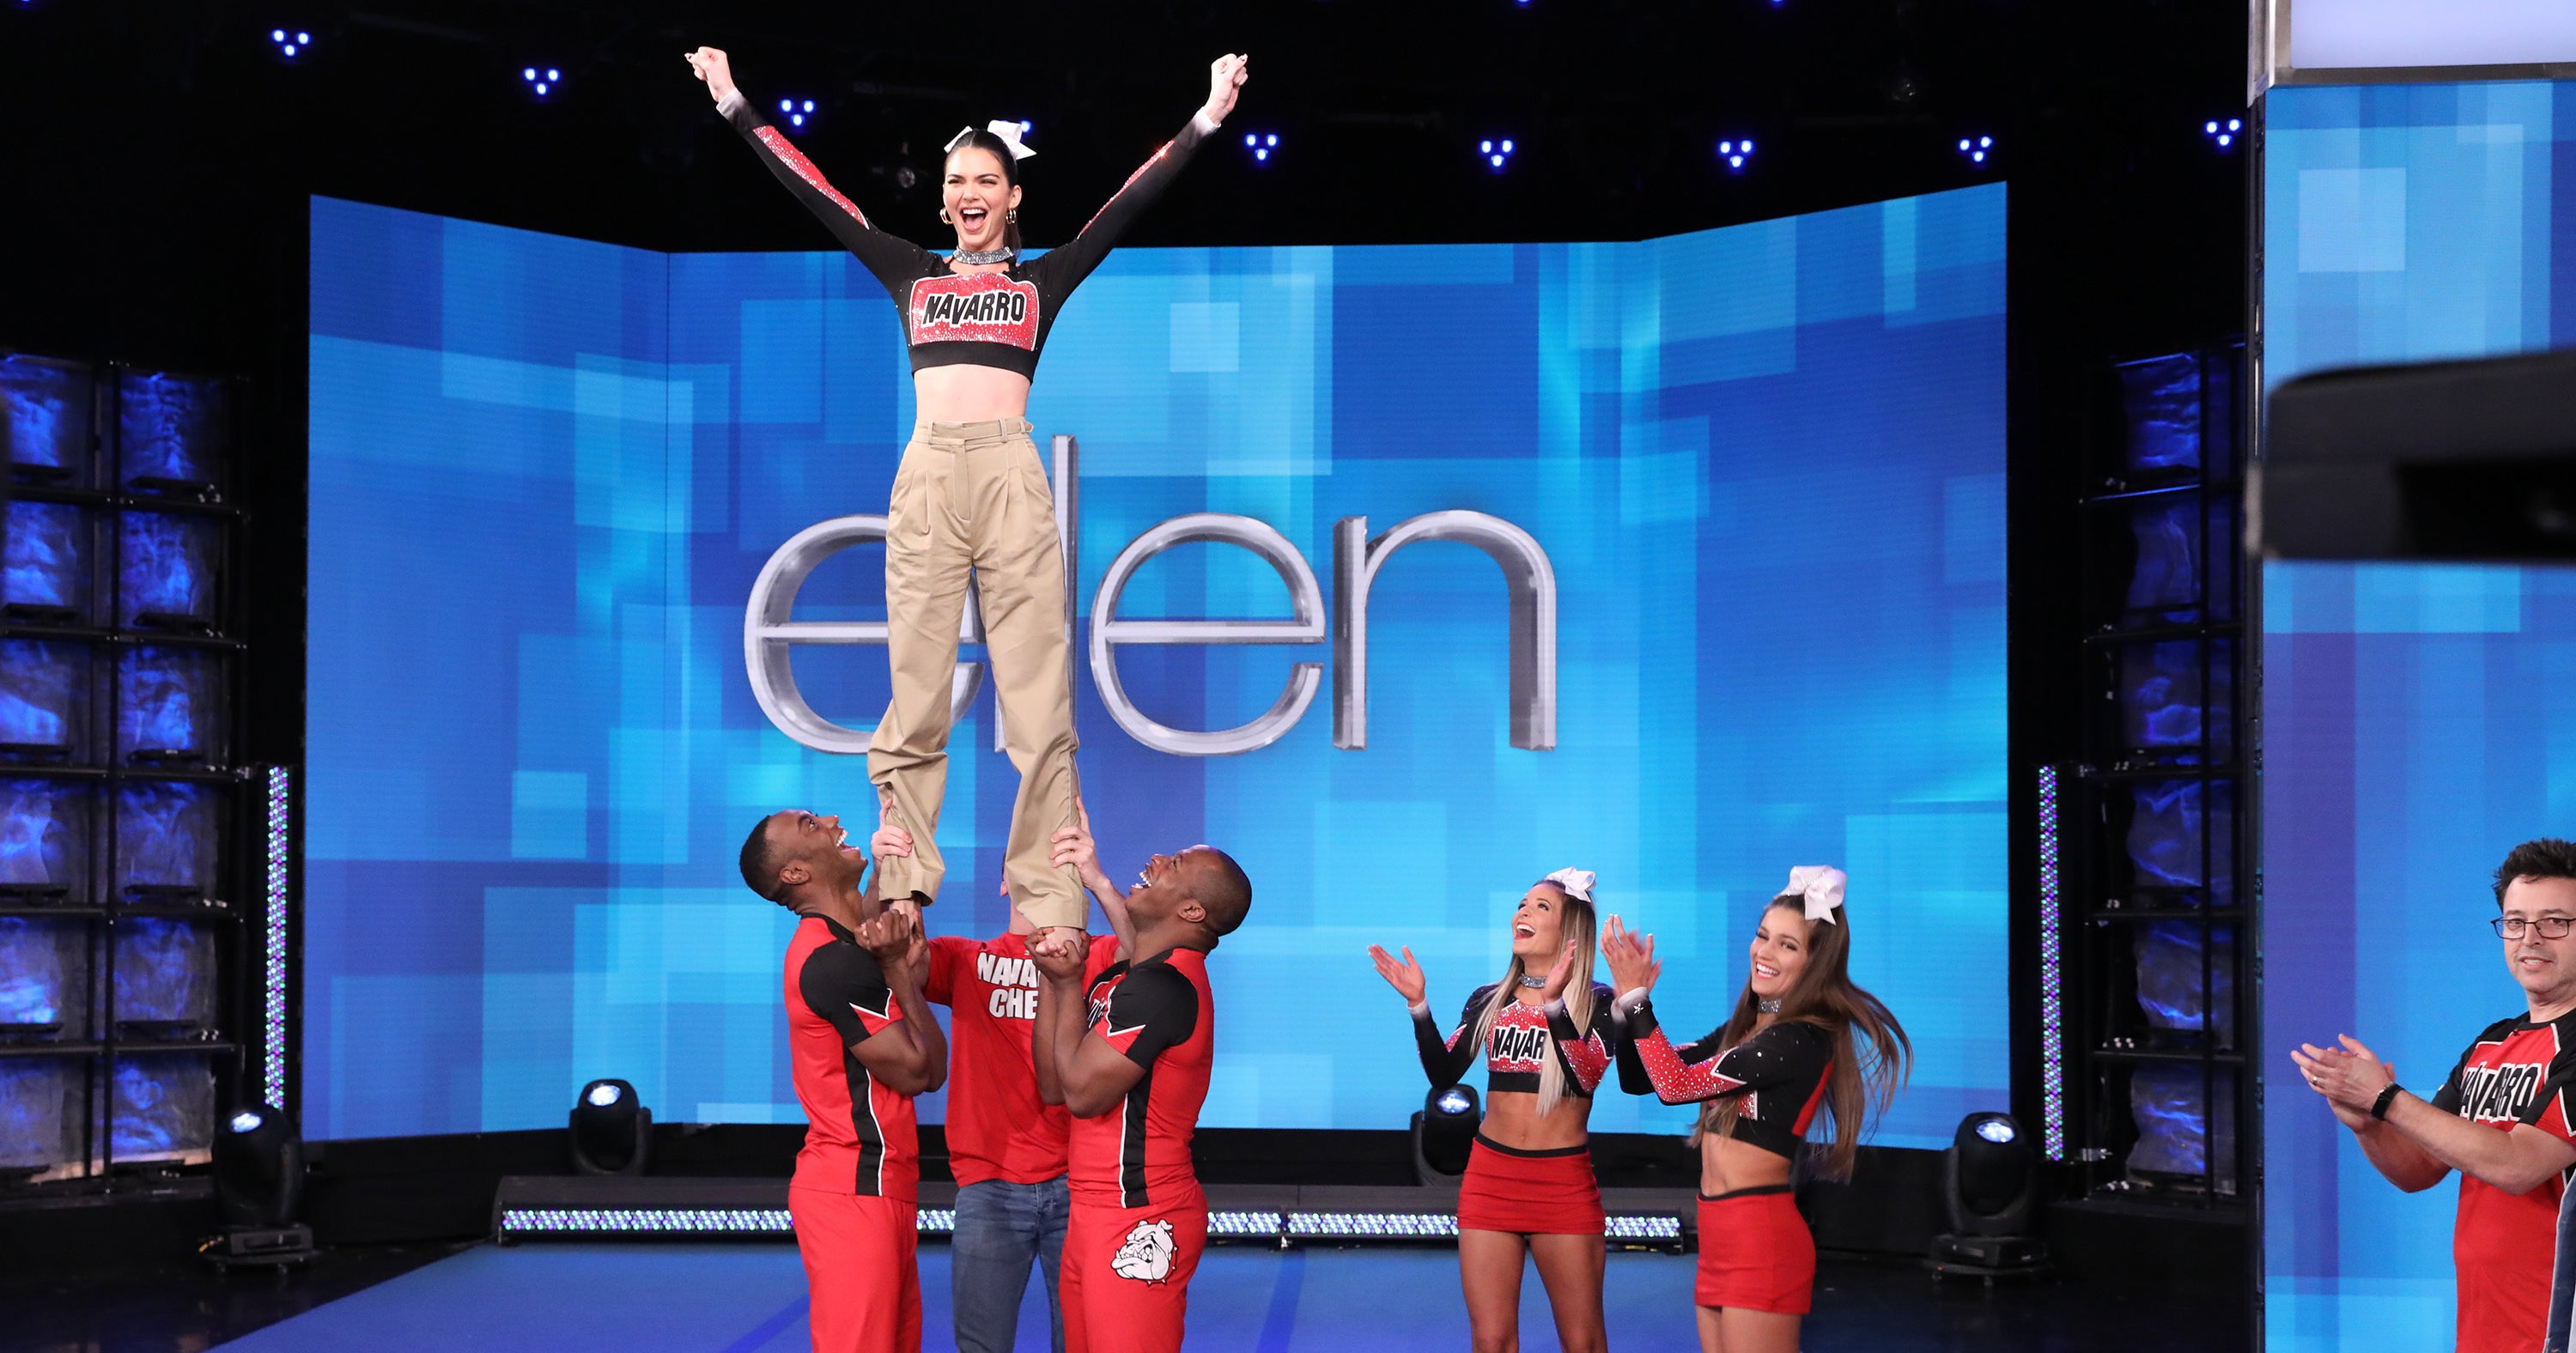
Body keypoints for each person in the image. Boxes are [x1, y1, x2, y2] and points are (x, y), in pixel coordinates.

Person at [685, 43, 1249, 944]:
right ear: (943, 199)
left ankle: (1050, 899)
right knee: (916, 688)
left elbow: (1125, 204)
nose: (969, 192)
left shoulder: (1039, 281)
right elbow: (819, 195)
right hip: (928, 475)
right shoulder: (911, 273)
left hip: (1009, 474)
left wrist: (1207, 117)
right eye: (957, 181)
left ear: (1012, 195)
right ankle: (903, 884)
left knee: (1038, 696)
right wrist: (732, 102)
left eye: (986, 179)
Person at [1601, 866, 1911, 1353]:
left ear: (1815, 963)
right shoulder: (1744, 1031)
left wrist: (1640, 1000)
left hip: (1760, 1240)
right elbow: (1640, 1079)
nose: (1764, 952)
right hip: (1716, 1235)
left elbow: (1674, 1085)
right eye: (1763, 936)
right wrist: (1625, 1008)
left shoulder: (1800, 1040)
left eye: (1787, 945)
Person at [2293, 838, 2576, 1353]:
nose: (2530, 938)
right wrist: (2369, 1124)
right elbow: (2418, 1169)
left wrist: (2386, 1098)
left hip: (2553, 1335)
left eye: (2554, 922)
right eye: (2515, 922)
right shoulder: (2491, 1044)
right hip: (2483, 1330)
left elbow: (2518, 1166)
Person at [893, 808, 1130, 1353]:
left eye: (1056, 864)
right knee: (982, 1345)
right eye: (1027, 863)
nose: (1042, 874)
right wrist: (900, 873)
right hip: (989, 1184)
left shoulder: (1096, 955)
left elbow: (1151, 955)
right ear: (1004, 880)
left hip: (1081, 1182)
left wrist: (1097, 879)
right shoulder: (965, 959)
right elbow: (906, 963)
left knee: (1083, 1342)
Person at [1367, 868, 1619, 1353]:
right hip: (1490, 1179)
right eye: (1522, 904)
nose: (1523, 912)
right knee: (1491, 1339)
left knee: (1582, 1341)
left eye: (1541, 907)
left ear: (1569, 930)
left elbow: (1584, 1077)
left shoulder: (1598, 1002)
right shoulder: (1489, 999)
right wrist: (1419, 1006)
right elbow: (1444, 1075)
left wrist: (1554, 1006)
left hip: (1561, 1183)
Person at [1028, 834, 1253, 1353]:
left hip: (1141, 1214)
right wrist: (1053, 978)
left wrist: (1067, 986)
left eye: (1174, 863)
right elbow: (1053, 1086)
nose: (1155, 858)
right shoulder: (1127, 980)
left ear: (1192, 910)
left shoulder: (1163, 989)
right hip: (1092, 1209)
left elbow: (1081, 1094)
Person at [740, 810, 949, 1353]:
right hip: (854, 1191)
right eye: (810, 824)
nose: (831, 818)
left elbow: (864, 923)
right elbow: (923, 1072)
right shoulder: (831, 962)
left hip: (878, 1187)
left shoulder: (839, 944)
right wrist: (899, 972)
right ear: (795, 873)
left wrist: (883, 869)